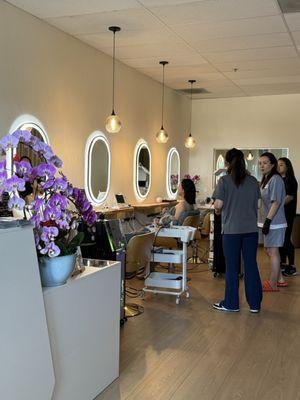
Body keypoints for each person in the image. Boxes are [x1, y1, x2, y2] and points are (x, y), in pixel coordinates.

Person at [212, 148, 262, 313]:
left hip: (231, 231)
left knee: (232, 267)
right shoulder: (254, 181)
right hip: (251, 231)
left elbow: (218, 205)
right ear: (243, 161)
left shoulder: (224, 181)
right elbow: (259, 205)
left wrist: (219, 210)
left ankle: (231, 303)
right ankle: (254, 304)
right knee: (251, 266)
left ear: (227, 163)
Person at [259, 152, 287, 291]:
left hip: (275, 222)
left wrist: (268, 221)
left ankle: (273, 284)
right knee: (268, 250)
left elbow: (276, 202)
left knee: (273, 251)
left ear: (272, 164)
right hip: (269, 220)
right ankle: (280, 279)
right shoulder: (266, 179)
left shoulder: (275, 179)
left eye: (265, 163)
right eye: (260, 163)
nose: (261, 166)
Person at [278, 157, 298, 276]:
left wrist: (276, 206)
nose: (278, 167)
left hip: (287, 214)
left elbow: (289, 197)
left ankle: (292, 266)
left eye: (281, 165)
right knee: (281, 239)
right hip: (280, 214)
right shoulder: (279, 179)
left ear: (287, 167)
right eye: (278, 165)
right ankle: (282, 263)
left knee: (286, 239)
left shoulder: (291, 180)